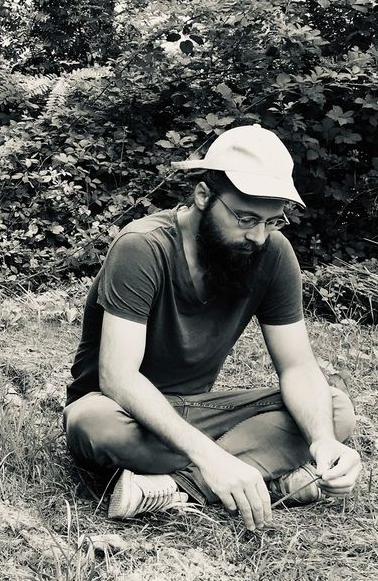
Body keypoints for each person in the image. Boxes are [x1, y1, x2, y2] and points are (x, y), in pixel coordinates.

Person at [63, 123, 361, 530]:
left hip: (198, 415)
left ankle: (175, 488)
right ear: (203, 196)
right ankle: (265, 477)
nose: (258, 236)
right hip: (126, 414)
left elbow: (297, 366)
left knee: (334, 410)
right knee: (91, 422)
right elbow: (118, 378)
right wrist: (213, 458)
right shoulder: (142, 246)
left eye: (273, 221)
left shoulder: (273, 254)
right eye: (246, 218)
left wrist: (324, 440)